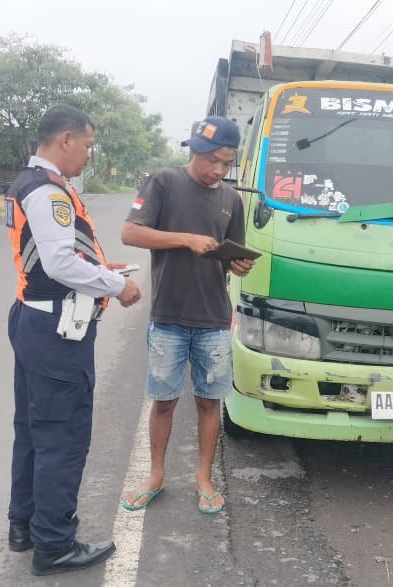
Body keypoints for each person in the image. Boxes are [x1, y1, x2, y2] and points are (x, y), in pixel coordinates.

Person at [5, 104, 142, 576]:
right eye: (86, 145)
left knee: (33, 430)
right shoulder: (48, 192)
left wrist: (104, 269)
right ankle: (55, 544)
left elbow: (53, 259)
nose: (88, 155)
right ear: (65, 139)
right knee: (61, 438)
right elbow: (61, 264)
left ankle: (24, 525)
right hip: (56, 332)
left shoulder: (27, 183)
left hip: (32, 319)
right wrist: (116, 285)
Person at [119, 116, 255, 515]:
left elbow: (233, 256)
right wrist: (185, 239)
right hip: (169, 318)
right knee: (163, 402)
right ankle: (156, 475)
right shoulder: (164, 182)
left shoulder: (232, 200)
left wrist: (239, 266)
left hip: (213, 320)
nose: (218, 170)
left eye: (227, 163)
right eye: (211, 160)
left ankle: (204, 478)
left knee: (210, 403)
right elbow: (130, 233)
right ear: (193, 151)